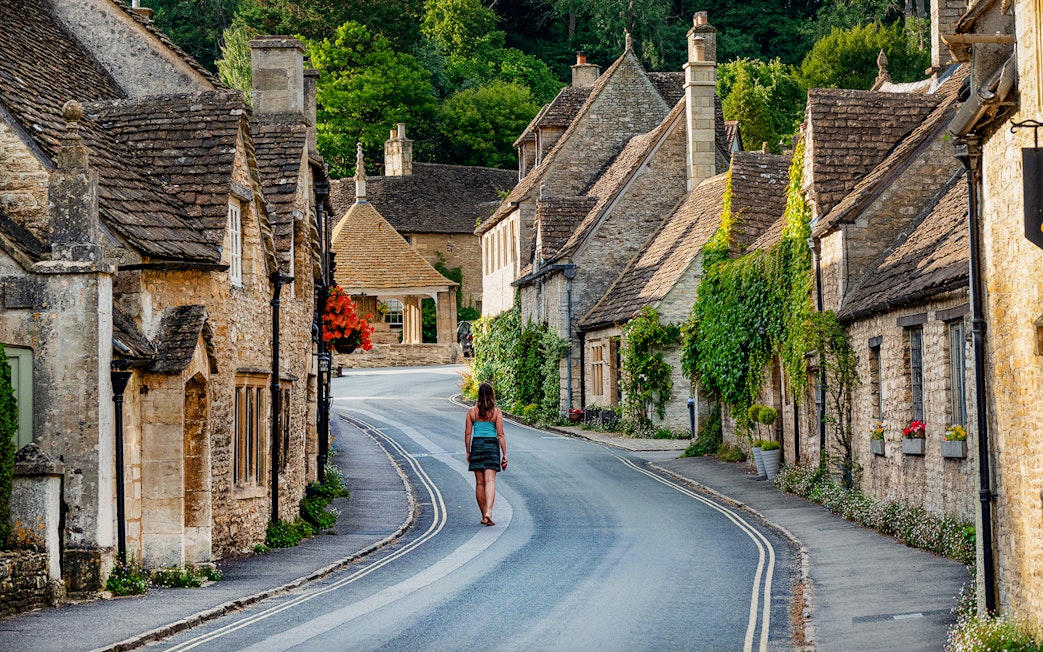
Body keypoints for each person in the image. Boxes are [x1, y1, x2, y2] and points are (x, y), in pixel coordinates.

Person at [464, 383, 507, 526]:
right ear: (491, 395)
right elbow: (500, 434)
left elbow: (468, 433)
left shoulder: (472, 412)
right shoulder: (496, 412)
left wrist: (468, 451)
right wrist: (505, 454)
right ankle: (489, 512)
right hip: (491, 446)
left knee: (479, 483)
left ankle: (484, 515)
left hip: (477, 445)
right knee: (490, 481)